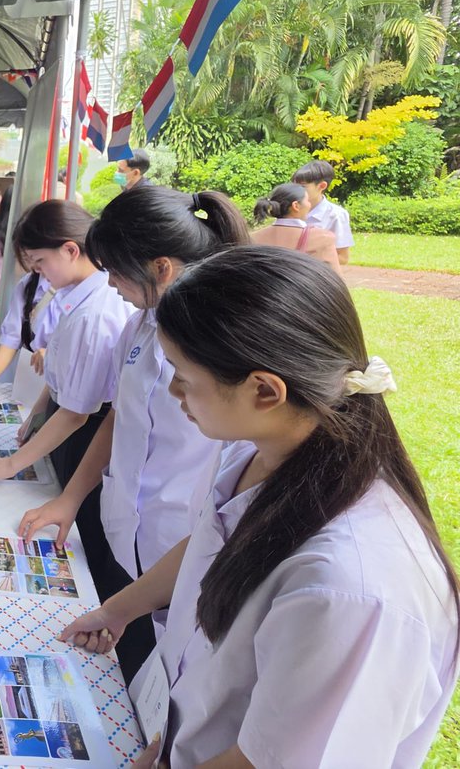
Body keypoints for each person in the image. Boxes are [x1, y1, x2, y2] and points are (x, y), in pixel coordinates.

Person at [60, 247, 459, 768]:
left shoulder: (350, 588)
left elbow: (274, 760)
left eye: (183, 374)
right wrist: (120, 610)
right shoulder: (258, 452)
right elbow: (211, 542)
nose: (173, 390)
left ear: (265, 391)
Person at [18, 186, 250, 682]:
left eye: (116, 272)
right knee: (113, 660)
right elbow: (119, 416)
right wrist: (71, 498)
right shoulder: (142, 322)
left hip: (178, 540)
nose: (109, 283)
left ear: (161, 268)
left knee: (159, 674)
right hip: (127, 528)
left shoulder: (223, 345)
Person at [0, 203, 136, 595]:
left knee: (81, 543)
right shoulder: (76, 295)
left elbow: (78, 413)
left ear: (70, 250)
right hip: (71, 421)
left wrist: (11, 465)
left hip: (88, 434)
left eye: (41, 262)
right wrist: (41, 409)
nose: (38, 273)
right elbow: (68, 371)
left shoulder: (95, 313)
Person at [0, 257, 67, 413]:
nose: (35, 267)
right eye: (28, 259)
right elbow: (12, 337)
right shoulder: (28, 284)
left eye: (40, 258)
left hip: (65, 389)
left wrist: (53, 355)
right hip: (33, 381)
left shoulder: (78, 290)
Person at [252, 182, 341, 272]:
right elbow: (337, 280)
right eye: (307, 201)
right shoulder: (323, 238)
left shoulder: (253, 238)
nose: (309, 205)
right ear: (296, 206)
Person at [292, 159, 354, 264]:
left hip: (316, 274)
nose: (296, 190)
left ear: (322, 186)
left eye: (302, 186)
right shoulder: (290, 208)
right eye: (293, 185)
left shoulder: (336, 215)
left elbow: (343, 258)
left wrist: (305, 259)